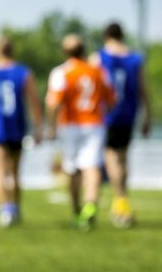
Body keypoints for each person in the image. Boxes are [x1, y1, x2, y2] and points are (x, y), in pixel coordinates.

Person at [0, 37, 43, 227]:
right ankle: (16, 209)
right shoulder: (23, 72)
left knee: (1, 173)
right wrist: (38, 127)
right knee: (16, 173)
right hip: (17, 128)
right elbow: (34, 101)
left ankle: (5, 211)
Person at [46, 35, 114, 230]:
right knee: (92, 166)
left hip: (70, 123)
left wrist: (51, 126)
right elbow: (111, 99)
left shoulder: (61, 72)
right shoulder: (98, 71)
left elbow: (53, 102)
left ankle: (77, 210)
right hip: (94, 123)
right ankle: (90, 203)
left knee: (72, 168)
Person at [89, 23, 151, 228]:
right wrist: (147, 114)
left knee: (111, 157)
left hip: (107, 114)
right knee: (123, 158)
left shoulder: (98, 58)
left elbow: (90, 87)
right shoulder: (135, 59)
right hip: (129, 113)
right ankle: (121, 203)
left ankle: (121, 203)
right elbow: (142, 88)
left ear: (106, 36)